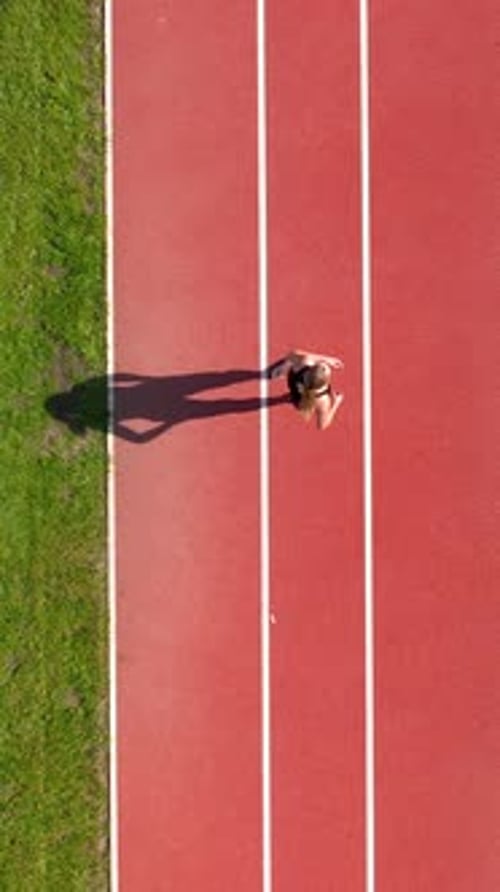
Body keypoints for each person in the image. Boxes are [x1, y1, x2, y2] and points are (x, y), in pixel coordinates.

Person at [268, 348, 344, 430]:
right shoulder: (322, 400)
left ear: (311, 368)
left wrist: (327, 359)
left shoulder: (303, 363)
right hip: (301, 402)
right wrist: (336, 403)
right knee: (295, 398)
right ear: (326, 380)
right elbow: (322, 426)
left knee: (293, 362)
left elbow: (292, 354)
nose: (325, 364)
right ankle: (286, 393)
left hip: (294, 386)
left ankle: (280, 371)